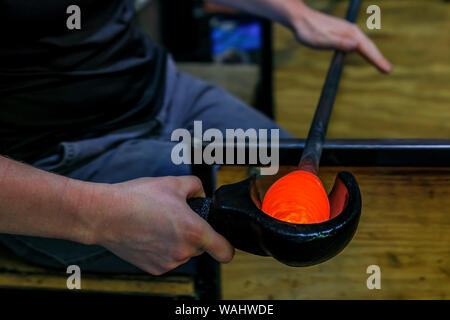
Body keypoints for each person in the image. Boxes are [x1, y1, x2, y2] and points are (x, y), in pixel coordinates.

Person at [0, 0, 391, 276]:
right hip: (48, 166)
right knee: (262, 252)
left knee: (299, 223)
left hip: (164, 93)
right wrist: (101, 218)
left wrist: (295, 12)